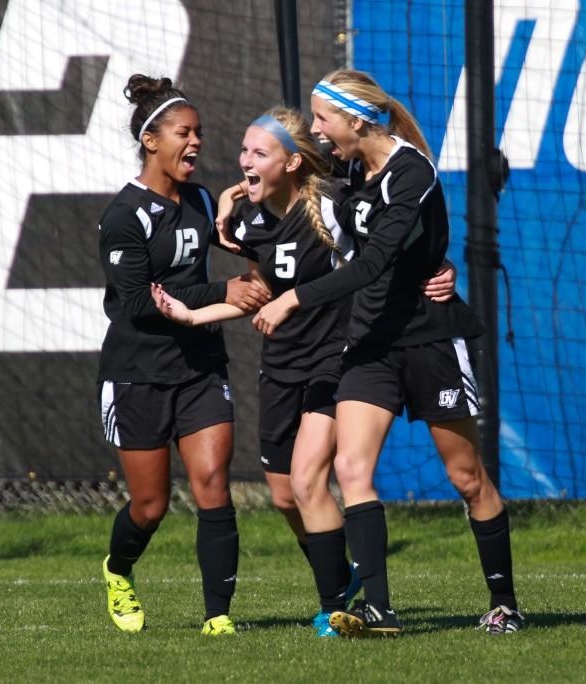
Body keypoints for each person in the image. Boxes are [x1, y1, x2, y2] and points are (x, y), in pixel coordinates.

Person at [151, 106, 456, 637]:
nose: (244, 160)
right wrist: (194, 313)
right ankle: (345, 578)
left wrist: (438, 267)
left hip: (336, 358)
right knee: (285, 493)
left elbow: (385, 254)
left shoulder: (334, 205)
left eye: (259, 152)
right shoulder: (244, 217)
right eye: (244, 150)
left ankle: (332, 605)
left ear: (293, 163)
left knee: (310, 478)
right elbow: (261, 294)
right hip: (281, 364)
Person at [252, 70, 523, 637]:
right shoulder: (351, 166)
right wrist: (235, 202)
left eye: (324, 118)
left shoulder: (412, 172)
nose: (316, 130)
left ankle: (504, 603)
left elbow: (373, 263)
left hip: (428, 336)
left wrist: (293, 300)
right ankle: (378, 610)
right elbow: (291, 175)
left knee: (467, 477)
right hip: (371, 340)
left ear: (356, 120)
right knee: (351, 469)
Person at [96, 74, 271, 637]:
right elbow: (139, 304)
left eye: (199, 133)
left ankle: (218, 617)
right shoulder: (124, 215)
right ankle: (118, 569)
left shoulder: (199, 199)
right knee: (149, 507)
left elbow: (259, 246)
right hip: (137, 374)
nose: (195, 142)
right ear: (152, 140)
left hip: (200, 368)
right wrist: (223, 292)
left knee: (213, 485)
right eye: (183, 132)